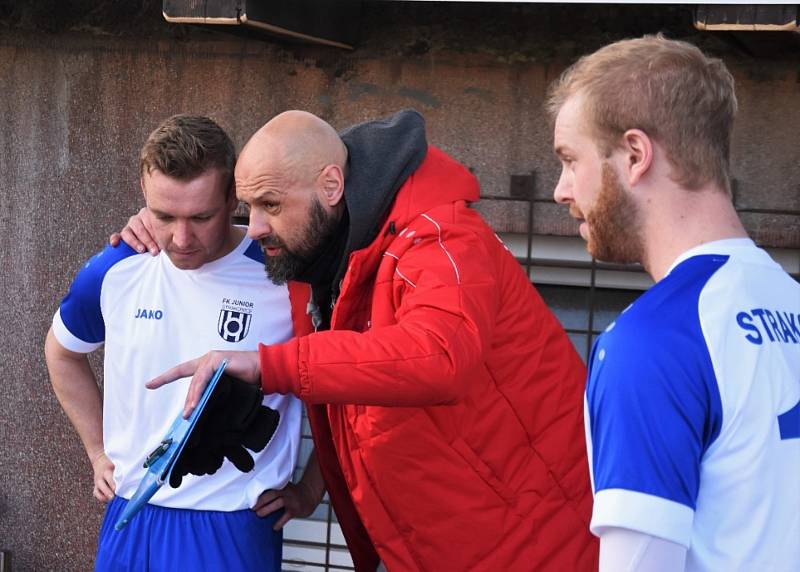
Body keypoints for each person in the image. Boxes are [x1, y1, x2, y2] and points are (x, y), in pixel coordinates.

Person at [127, 109, 599, 570]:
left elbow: (438, 356)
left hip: (538, 542)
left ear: (331, 186)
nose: (255, 228)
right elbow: (354, 392)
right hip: (438, 542)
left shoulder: (440, 238)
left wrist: (269, 366)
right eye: (249, 208)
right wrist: (160, 226)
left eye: (270, 205)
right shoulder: (319, 251)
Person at [547, 36, 800, 571]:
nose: (560, 190)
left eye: (570, 160)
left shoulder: (652, 342)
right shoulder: (790, 301)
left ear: (636, 155)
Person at [44, 114, 311, 571]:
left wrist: (312, 490)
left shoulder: (286, 276)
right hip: (131, 517)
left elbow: (337, 387)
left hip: (231, 523)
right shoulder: (118, 268)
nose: (181, 238)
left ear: (233, 198)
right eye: (164, 216)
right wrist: (96, 451)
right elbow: (62, 351)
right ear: (144, 194)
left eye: (200, 217)